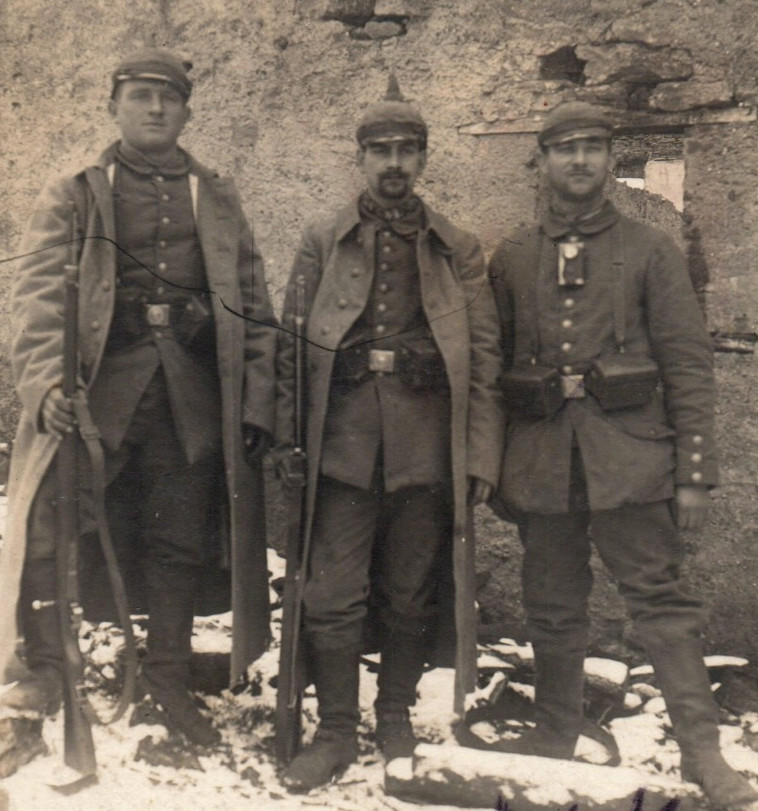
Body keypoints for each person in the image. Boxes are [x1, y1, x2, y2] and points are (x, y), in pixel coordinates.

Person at [0, 48, 278, 746]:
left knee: (177, 542)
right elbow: (33, 303)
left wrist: (255, 400)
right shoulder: (74, 192)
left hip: (188, 401)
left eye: (169, 98)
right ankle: (45, 671)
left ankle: (166, 678)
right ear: (115, 105)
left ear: (187, 110)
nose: (156, 109)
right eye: (141, 96)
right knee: (53, 534)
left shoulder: (216, 197)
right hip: (96, 398)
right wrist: (47, 387)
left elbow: (252, 307)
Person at [488, 100, 758, 810]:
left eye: (593, 147)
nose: (579, 160)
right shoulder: (513, 256)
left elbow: (689, 366)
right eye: (564, 148)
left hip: (633, 461)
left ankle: (704, 753)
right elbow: (496, 367)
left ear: (612, 160)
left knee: (663, 604)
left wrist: (694, 472)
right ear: (541, 162)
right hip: (544, 461)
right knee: (550, 604)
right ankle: (554, 735)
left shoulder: (650, 250)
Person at [275, 77, 503, 790]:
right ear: (360, 159)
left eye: (407, 149)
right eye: (380, 150)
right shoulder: (322, 238)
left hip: (424, 449)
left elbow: (486, 356)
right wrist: (287, 440)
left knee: (409, 594)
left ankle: (396, 718)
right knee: (330, 594)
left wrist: (478, 454)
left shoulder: (457, 247)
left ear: (426, 158)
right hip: (340, 448)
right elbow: (287, 346)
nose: (393, 163)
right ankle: (337, 727)